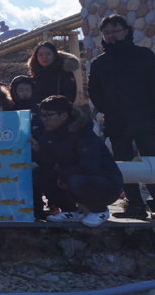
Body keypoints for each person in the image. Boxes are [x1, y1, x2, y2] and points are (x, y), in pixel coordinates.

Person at [88, 14, 155, 219]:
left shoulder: (143, 55)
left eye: (114, 31)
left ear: (126, 30)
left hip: (144, 117)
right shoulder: (99, 63)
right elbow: (94, 91)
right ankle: (135, 205)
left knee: (151, 160)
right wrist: (107, 108)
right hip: (116, 120)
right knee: (123, 163)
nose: (111, 36)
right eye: (106, 33)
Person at [33, 96, 123, 227]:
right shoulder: (49, 134)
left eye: (49, 115)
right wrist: (37, 151)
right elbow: (50, 164)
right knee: (39, 173)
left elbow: (89, 167)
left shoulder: (84, 134)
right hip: (73, 179)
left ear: (64, 115)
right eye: (43, 115)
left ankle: (100, 211)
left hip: (106, 184)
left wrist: (64, 176)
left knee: (76, 180)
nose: (44, 120)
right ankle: (71, 211)